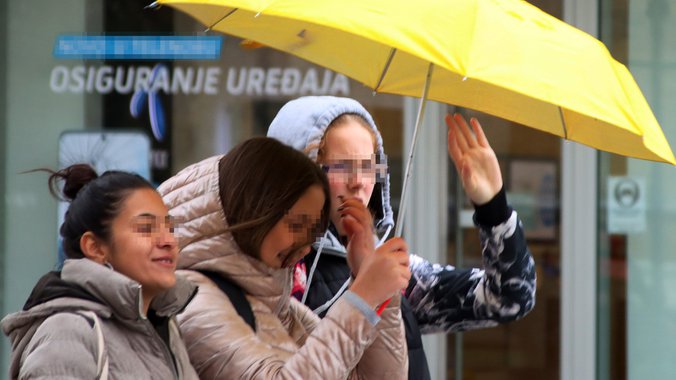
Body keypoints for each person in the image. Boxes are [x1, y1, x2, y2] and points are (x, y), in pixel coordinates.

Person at [267, 96, 537, 380]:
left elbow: (508, 298)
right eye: (342, 166)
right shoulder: (268, 269)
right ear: (298, 171)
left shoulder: (387, 267)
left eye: (369, 166)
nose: (359, 181)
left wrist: (493, 207)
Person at [158, 137, 410, 379]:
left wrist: (377, 293)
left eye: (313, 231)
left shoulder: (281, 309)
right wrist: (362, 298)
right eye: (296, 225)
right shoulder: (194, 300)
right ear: (252, 208)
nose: (305, 245)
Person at [1, 164, 199, 379]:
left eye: (170, 228)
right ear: (95, 247)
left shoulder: (165, 326)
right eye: (146, 228)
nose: (169, 241)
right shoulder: (68, 331)